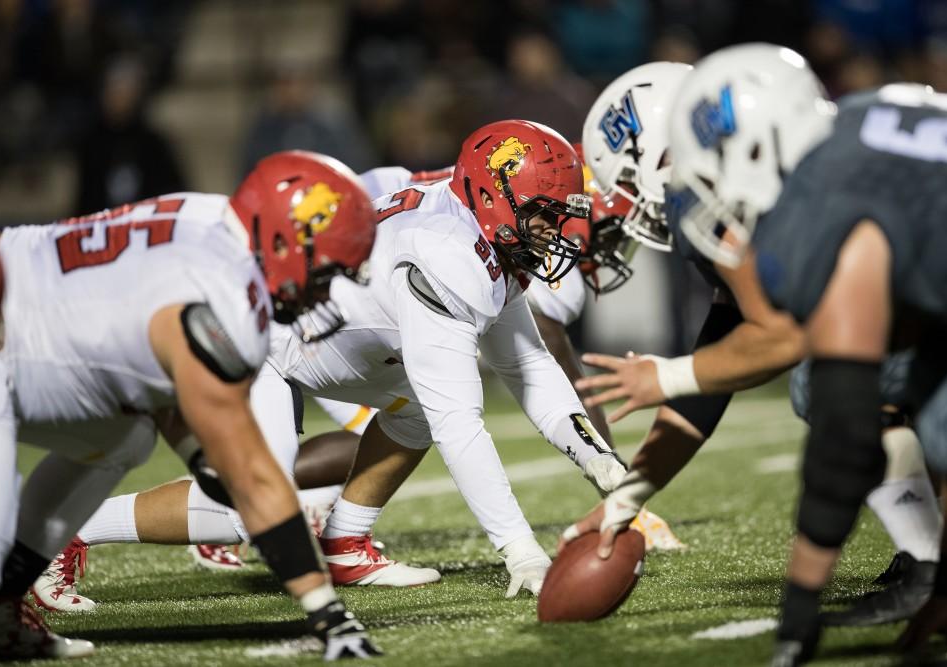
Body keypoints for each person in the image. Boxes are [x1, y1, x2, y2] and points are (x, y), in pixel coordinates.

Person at [36, 120, 628, 606]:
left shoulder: (478, 232)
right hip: (261, 338)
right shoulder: (448, 256)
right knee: (253, 511)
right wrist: (520, 549)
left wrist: (600, 460)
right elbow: (462, 424)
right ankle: (68, 530)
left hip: (327, 339)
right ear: (494, 196)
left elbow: (529, 365)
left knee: (421, 409)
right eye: (544, 212)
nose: (558, 229)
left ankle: (346, 543)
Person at [561, 59, 942, 628]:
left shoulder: (743, 193)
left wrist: (665, 376)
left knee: (839, 376)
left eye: (628, 181)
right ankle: (939, 553)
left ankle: (934, 562)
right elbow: (721, 365)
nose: (633, 204)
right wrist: (628, 496)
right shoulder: (787, 166)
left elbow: (781, 340)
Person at [0, 150, 381, 661]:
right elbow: (253, 478)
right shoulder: (219, 303)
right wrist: (325, 608)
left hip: (18, 312)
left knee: (123, 437)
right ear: (281, 239)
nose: (323, 292)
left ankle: (0, 609)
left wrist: (199, 453)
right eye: (324, 272)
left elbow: (140, 351)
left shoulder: (209, 216)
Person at [664, 44, 947, 664]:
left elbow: (845, 431)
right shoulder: (864, 130)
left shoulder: (832, 199)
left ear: (755, 146)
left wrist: (798, 616)